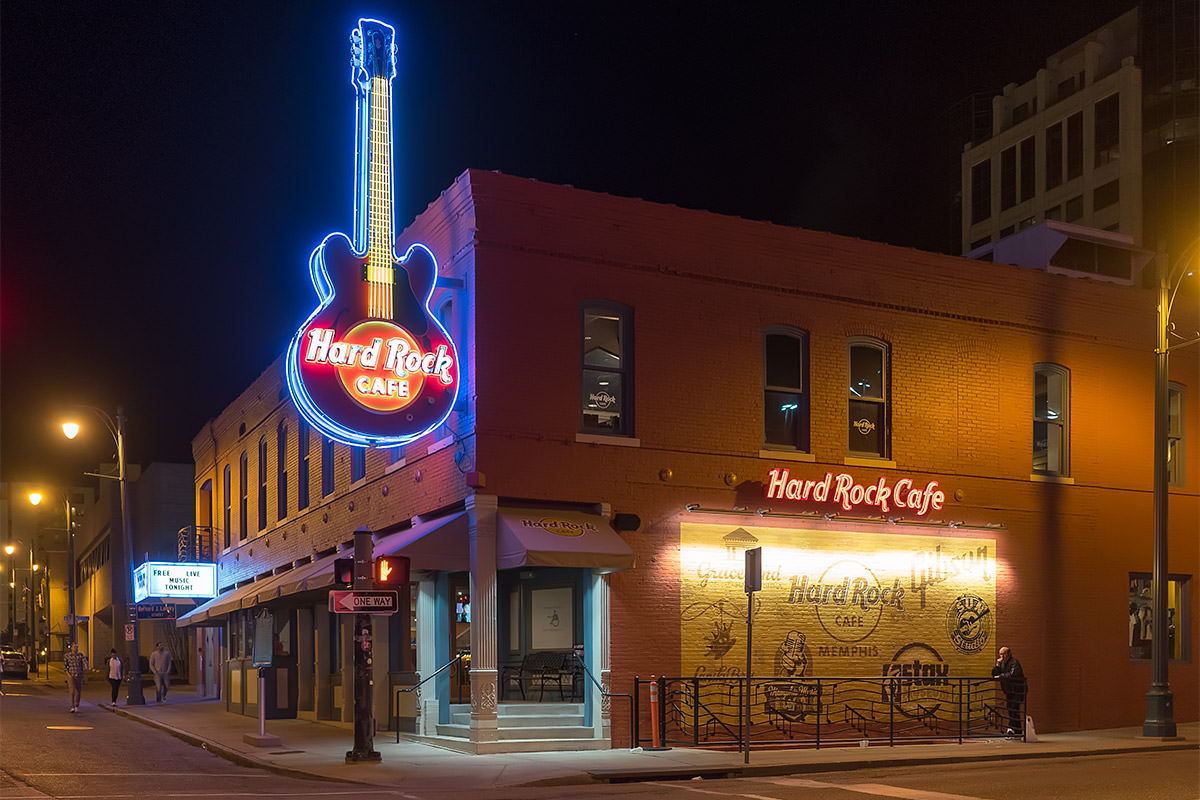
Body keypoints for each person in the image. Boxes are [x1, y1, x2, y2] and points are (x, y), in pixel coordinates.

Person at [991, 645, 1026, 736]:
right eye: (1000, 654)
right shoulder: (1002, 663)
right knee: (1012, 709)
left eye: (1004, 654)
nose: (1001, 656)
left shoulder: (1014, 662)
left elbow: (1013, 674)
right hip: (1009, 691)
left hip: (1018, 690)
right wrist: (997, 665)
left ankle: (1011, 729)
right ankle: (1017, 731)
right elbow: (994, 674)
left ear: (1009, 654)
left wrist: (1001, 676)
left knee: (1014, 709)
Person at [64, 642, 88, 712]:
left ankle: (77, 705)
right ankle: (72, 706)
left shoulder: (80, 655)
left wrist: (85, 667)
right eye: (74, 647)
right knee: (72, 691)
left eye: (77, 647)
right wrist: (68, 673)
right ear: (71, 648)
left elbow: (84, 662)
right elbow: (66, 665)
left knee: (78, 691)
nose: (76, 648)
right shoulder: (67, 656)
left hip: (79, 675)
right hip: (71, 675)